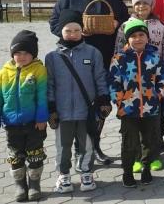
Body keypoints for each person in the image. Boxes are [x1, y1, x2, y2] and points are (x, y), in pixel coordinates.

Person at [49, 0, 129, 164]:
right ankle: (80, 149)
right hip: (76, 60)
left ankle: (94, 145)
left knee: (101, 105)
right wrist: (74, 32)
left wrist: (117, 24)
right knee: (81, 104)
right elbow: (54, 23)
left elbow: (126, 21)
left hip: (106, 58)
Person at [46, 10, 111, 193]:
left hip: (86, 111)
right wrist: (51, 107)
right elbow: (50, 84)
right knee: (63, 146)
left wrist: (104, 99)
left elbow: (100, 78)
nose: (73, 34)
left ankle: (86, 172)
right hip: (63, 112)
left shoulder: (93, 53)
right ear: (61, 31)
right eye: (68, 30)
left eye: (76, 30)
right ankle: (64, 174)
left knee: (86, 144)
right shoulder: (52, 57)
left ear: (82, 30)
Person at [115, 0, 164, 173]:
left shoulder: (161, 27)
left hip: (152, 85)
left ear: (152, 5)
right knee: (132, 127)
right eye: (138, 3)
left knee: (153, 125)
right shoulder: (124, 26)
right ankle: (137, 157)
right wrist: (119, 93)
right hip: (131, 87)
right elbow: (118, 52)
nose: (141, 6)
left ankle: (154, 155)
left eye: (145, 3)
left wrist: (161, 88)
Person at [0, 30, 48, 202]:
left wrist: (42, 118)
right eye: (18, 53)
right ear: (12, 54)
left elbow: (42, 96)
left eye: (26, 53)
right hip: (12, 124)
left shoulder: (39, 70)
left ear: (33, 54)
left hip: (33, 123)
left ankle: (34, 183)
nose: (22, 57)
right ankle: (20, 185)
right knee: (15, 155)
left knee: (35, 154)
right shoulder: (2, 73)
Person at [109, 18, 164, 188]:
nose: (138, 39)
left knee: (150, 141)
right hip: (128, 109)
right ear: (127, 39)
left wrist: (158, 95)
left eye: (141, 35)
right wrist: (119, 101)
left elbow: (163, 78)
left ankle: (146, 168)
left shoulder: (154, 57)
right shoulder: (119, 58)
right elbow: (113, 82)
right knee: (129, 142)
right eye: (133, 36)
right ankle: (127, 172)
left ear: (147, 37)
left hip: (151, 108)